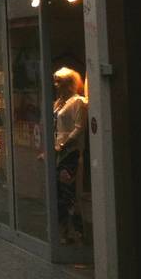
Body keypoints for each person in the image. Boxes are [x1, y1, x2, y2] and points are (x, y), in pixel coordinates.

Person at [53, 67, 88, 244]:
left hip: (70, 154)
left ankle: (77, 230)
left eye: (59, 81)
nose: (56, 85)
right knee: (60, 193)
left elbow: (79, 127)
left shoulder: (78, 102)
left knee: (70, 192)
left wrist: (63, 144)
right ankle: (64, 230)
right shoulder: (59, 103)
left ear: (68, 83)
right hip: (59, 152)